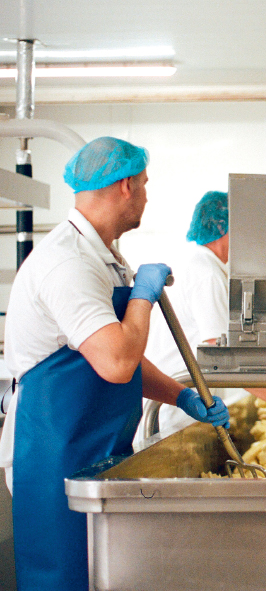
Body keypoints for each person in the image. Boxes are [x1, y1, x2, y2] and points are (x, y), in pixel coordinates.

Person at [0, 137, 231, 591]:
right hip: (50, 456)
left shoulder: (102, 259)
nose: (146, 195)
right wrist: (143, 297)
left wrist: (181, 396)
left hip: (96, 450)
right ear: (126, 186)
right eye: (144, 185)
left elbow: (118, 357)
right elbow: (115, 362)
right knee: (62, 578)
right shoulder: (66, 263)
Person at [139, 190, 266, 443]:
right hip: (179, 411)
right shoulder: (206, 274)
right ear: (226, 230)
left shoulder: (206, 268)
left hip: (187, 405)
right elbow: (223, 359)